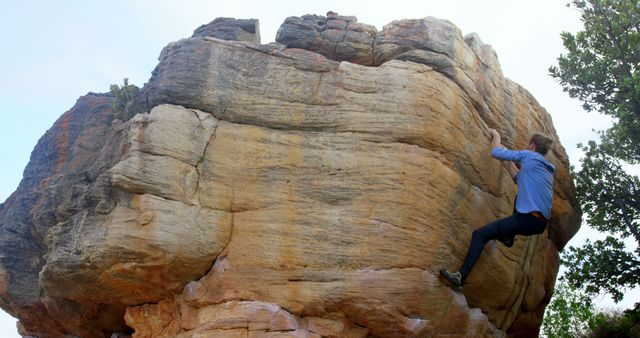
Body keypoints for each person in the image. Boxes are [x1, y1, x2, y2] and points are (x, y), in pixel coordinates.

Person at [439, 129, 555, 290]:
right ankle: (508, 237)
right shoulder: (544, 168)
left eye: (527, 144)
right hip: (538, 223)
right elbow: (517, 178)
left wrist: (496, 136)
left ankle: (460, 276)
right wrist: (508, 161)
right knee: (519, 197)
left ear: (532, 145)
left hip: (527, 218)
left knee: (480, 234)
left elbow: (495, 152)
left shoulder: (528, 156)